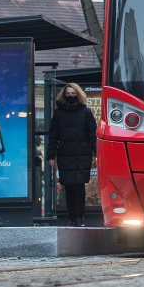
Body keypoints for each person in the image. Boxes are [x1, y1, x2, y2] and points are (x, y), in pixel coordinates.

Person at [49, 83, 97, 227]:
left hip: (82, 154)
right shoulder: (58, 114)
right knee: (69, 188)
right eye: (68, 93)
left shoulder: (86, 112)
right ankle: (73, 218)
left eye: (73, 93)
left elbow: (93, 135)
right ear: (64, 95)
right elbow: (53, 136)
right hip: (65, 154)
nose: (70, 96)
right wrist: (51, 156)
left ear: (78, 94)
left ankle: (80, 217)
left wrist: (98, 154)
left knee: (79, 187)